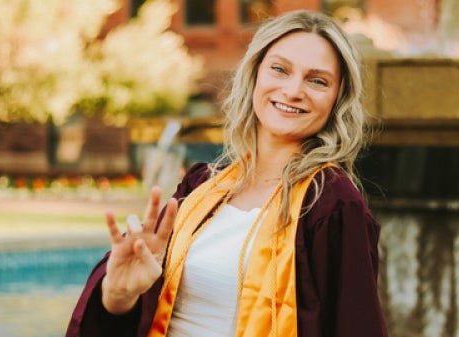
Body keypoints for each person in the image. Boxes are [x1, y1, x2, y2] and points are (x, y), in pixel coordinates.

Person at [66, 9, 388, 337]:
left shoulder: (330, 205)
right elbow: (128, 316)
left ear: (337, 99)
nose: (293, 90)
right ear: (255, 75)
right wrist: (119, 295)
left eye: (317, 80)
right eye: (280, 69)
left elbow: (356, 325)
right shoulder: (202, 186)